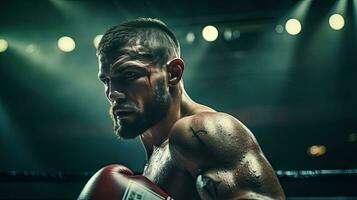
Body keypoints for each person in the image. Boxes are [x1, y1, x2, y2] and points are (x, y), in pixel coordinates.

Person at [78, 18, 285, 200]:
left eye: (130, 74)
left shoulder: (203, 130)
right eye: (106, 80)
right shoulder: (157, 147)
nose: (113, 92)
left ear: (173, 73)